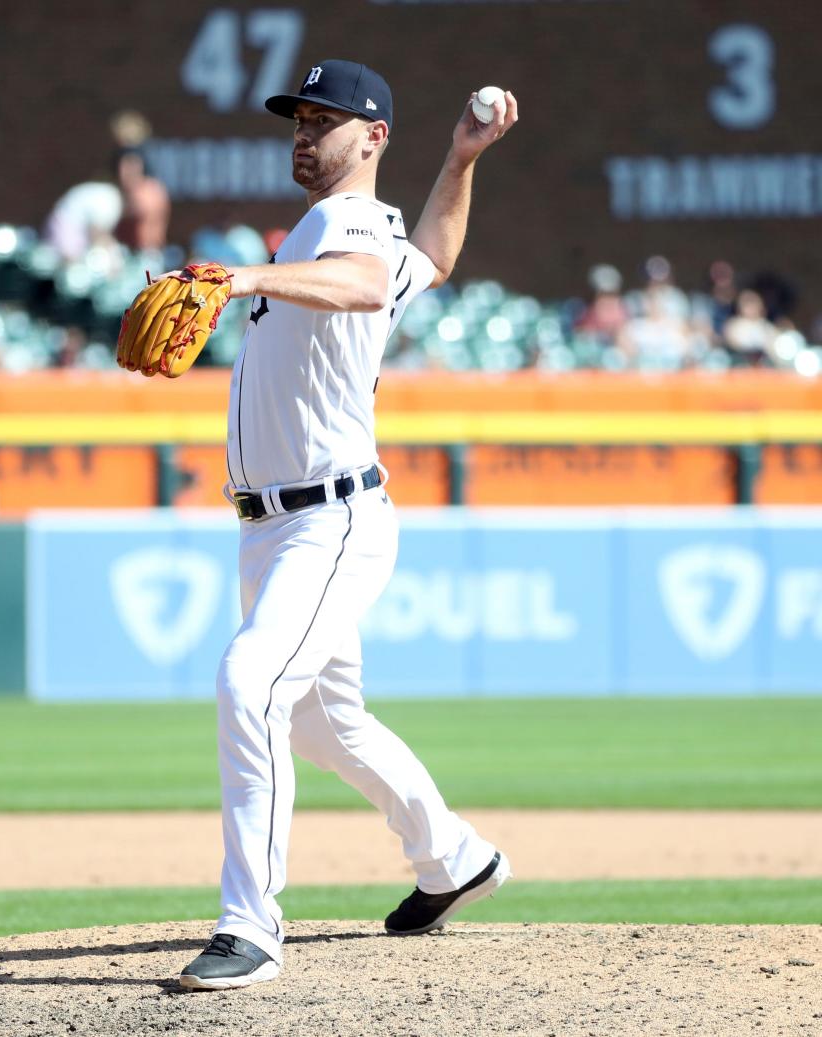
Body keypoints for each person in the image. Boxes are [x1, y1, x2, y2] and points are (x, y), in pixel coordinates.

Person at [173, 59, 518, 991]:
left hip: (329, 521)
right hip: (278, 527)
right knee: (328, 724)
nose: (304, 134)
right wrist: (462, 158)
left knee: (251, 682)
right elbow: (433, 260)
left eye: (324, 121)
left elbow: (366, 283)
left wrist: (249, 272)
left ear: (371, 139)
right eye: (297, 118)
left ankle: (250, 927)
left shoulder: (347, 224)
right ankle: (455, 858)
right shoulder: (341, 231)